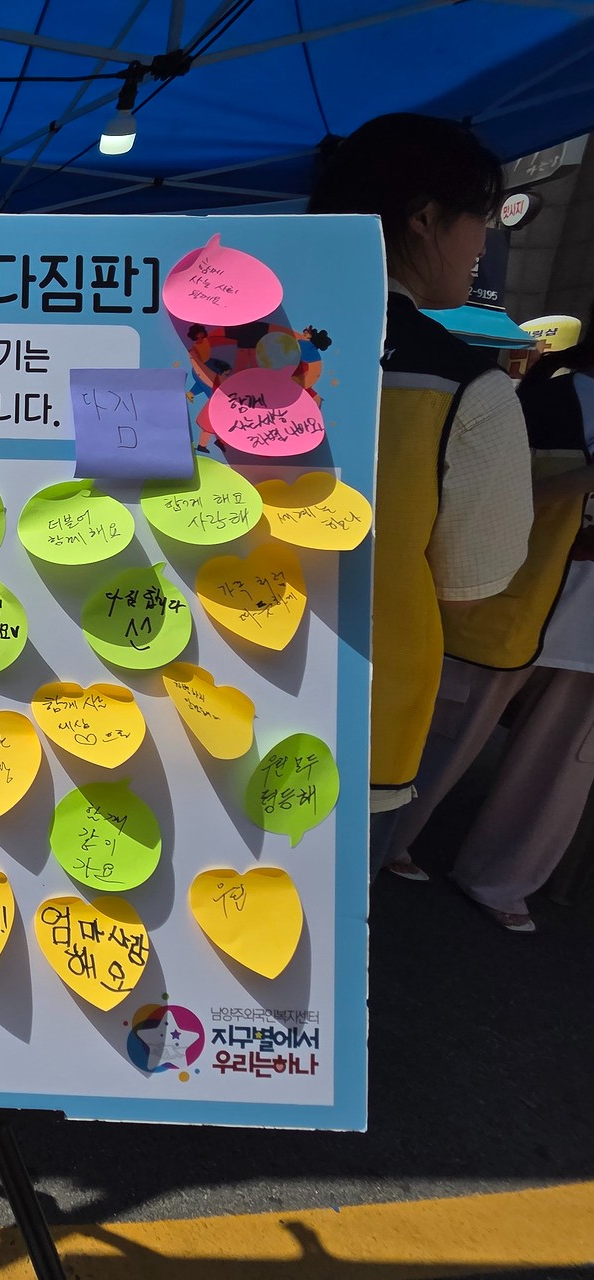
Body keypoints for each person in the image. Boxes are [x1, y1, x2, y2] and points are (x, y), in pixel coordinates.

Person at [306, 114, 534, 875]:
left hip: (194, 685)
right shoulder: (466, 387)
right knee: (314, 931)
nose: (481, 246)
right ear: (426, 219)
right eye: (480, 219)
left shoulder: (224, 345)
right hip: (359, 715)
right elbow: (469, 585)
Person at [380, 328, 594, 930]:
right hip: (509, 599)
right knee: (444, 734)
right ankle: (390, 839)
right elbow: (496, 498)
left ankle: (502, 877)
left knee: (565, 759)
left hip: (576, 621)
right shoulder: (548, 398)